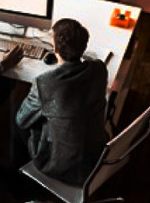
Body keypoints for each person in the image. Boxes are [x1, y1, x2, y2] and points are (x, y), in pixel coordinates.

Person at [15, 18, 108, 185]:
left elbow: (22, 120)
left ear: (55, 48)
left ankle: (19, 183)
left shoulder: (45, 83)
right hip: (97, 156)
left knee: (20, 116)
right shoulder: (99, 69)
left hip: (61, 166)